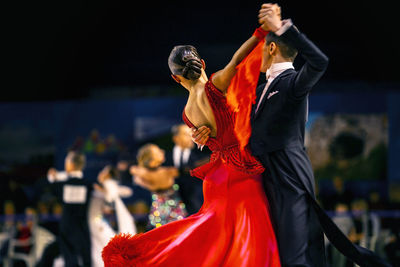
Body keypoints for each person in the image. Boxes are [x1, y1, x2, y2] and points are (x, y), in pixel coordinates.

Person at [191, 4, 392, 267]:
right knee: (272, 254)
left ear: (271, 48)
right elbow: (239, 131)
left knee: (293, 256)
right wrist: (208, 136)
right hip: (261, 181)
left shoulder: (294, 83)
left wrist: (283, 28)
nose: (257, 54)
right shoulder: (261, 88)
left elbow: (320, 62)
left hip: (288, 179)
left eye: (262, 46)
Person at [102, 4, 282, 267]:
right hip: (241, 173)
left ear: (175, 78)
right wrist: (261, 33)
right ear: (203, 64)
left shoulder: (187, 113)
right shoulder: (215, 87)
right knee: (249, 241)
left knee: (216, 240)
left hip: (216, 179)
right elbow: (238, 60)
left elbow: (211, 138)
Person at [47, 150, 92, 267]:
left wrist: (52, 178)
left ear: (71, 164)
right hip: (82, 228)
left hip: (67, 228)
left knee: (70, 261)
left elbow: (52, 186)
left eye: (66, 161)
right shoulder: (89, 185)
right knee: (86, 259)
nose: (65, 163)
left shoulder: (61, 184)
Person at [130, 143, 188, 230]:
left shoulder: (146, 173)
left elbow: (134, 170)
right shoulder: (165, 173)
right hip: (172, 213)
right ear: (151, 160)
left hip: (160, 213)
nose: (162, 152)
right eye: (158, 152)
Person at [164, 123, 206, 215]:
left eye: (192, 135)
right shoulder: (164, 158)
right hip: (169, 210)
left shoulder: (200, 159)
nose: (191, 138)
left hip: (194, 209)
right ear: (176, 138)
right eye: (186, 135)